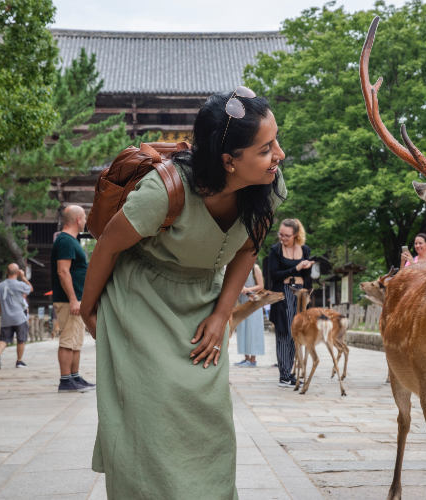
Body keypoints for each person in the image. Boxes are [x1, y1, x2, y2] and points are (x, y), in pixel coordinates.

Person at [79, 86, 286, 500]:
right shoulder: (165, 190)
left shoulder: (268, 187)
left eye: (276, 142)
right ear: (229, 161)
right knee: (150, 415)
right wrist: (88, 311)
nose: (279, 155)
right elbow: (107, 246)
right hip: (142, 297)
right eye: (265, 149)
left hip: (202, 299)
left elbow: (248, 247)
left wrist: (222, 313)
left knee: (207, 417)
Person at [51, 205, 95, 393]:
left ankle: (74, 376)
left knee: (76, 341)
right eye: (84, 218)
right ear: (78, 220)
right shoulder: (66, 241)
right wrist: (73, 300)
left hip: (76, 300)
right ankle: (65, 380)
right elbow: (63, 271)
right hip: (70, 301)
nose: (85, 221)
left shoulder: (71, 241)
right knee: (68, 341)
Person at [268, 218, 313, 387]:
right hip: (282, 293)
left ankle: (291, 372)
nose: (282, 238)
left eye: (286, 235)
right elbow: (274, 275)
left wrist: (307, 267)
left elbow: (307, 277)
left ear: (295, 235)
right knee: (283, 333)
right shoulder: (275, 250)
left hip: (300, 294)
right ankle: (284, 375)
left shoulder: (305, 250)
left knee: (296, 333)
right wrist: (296, 269)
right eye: (281, 234)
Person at [0, 264, 33, 369]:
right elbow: (30, 289)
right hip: (19, 317)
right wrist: (23, 277)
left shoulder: (0, 286)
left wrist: (2, 313)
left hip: (6, 318)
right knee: (21, 340)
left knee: (4, 339)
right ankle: (19, 361)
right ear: (18, 272)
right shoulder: (20, 284)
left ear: (7, 272)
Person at [234, 262, 265, 367]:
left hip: (254, 305)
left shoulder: (255, 267)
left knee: (253, 332)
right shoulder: (238, 267)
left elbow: (261, 286)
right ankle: (246, 358)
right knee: (243, 332)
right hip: (242, 304)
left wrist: (247, 289)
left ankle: (252, 360)